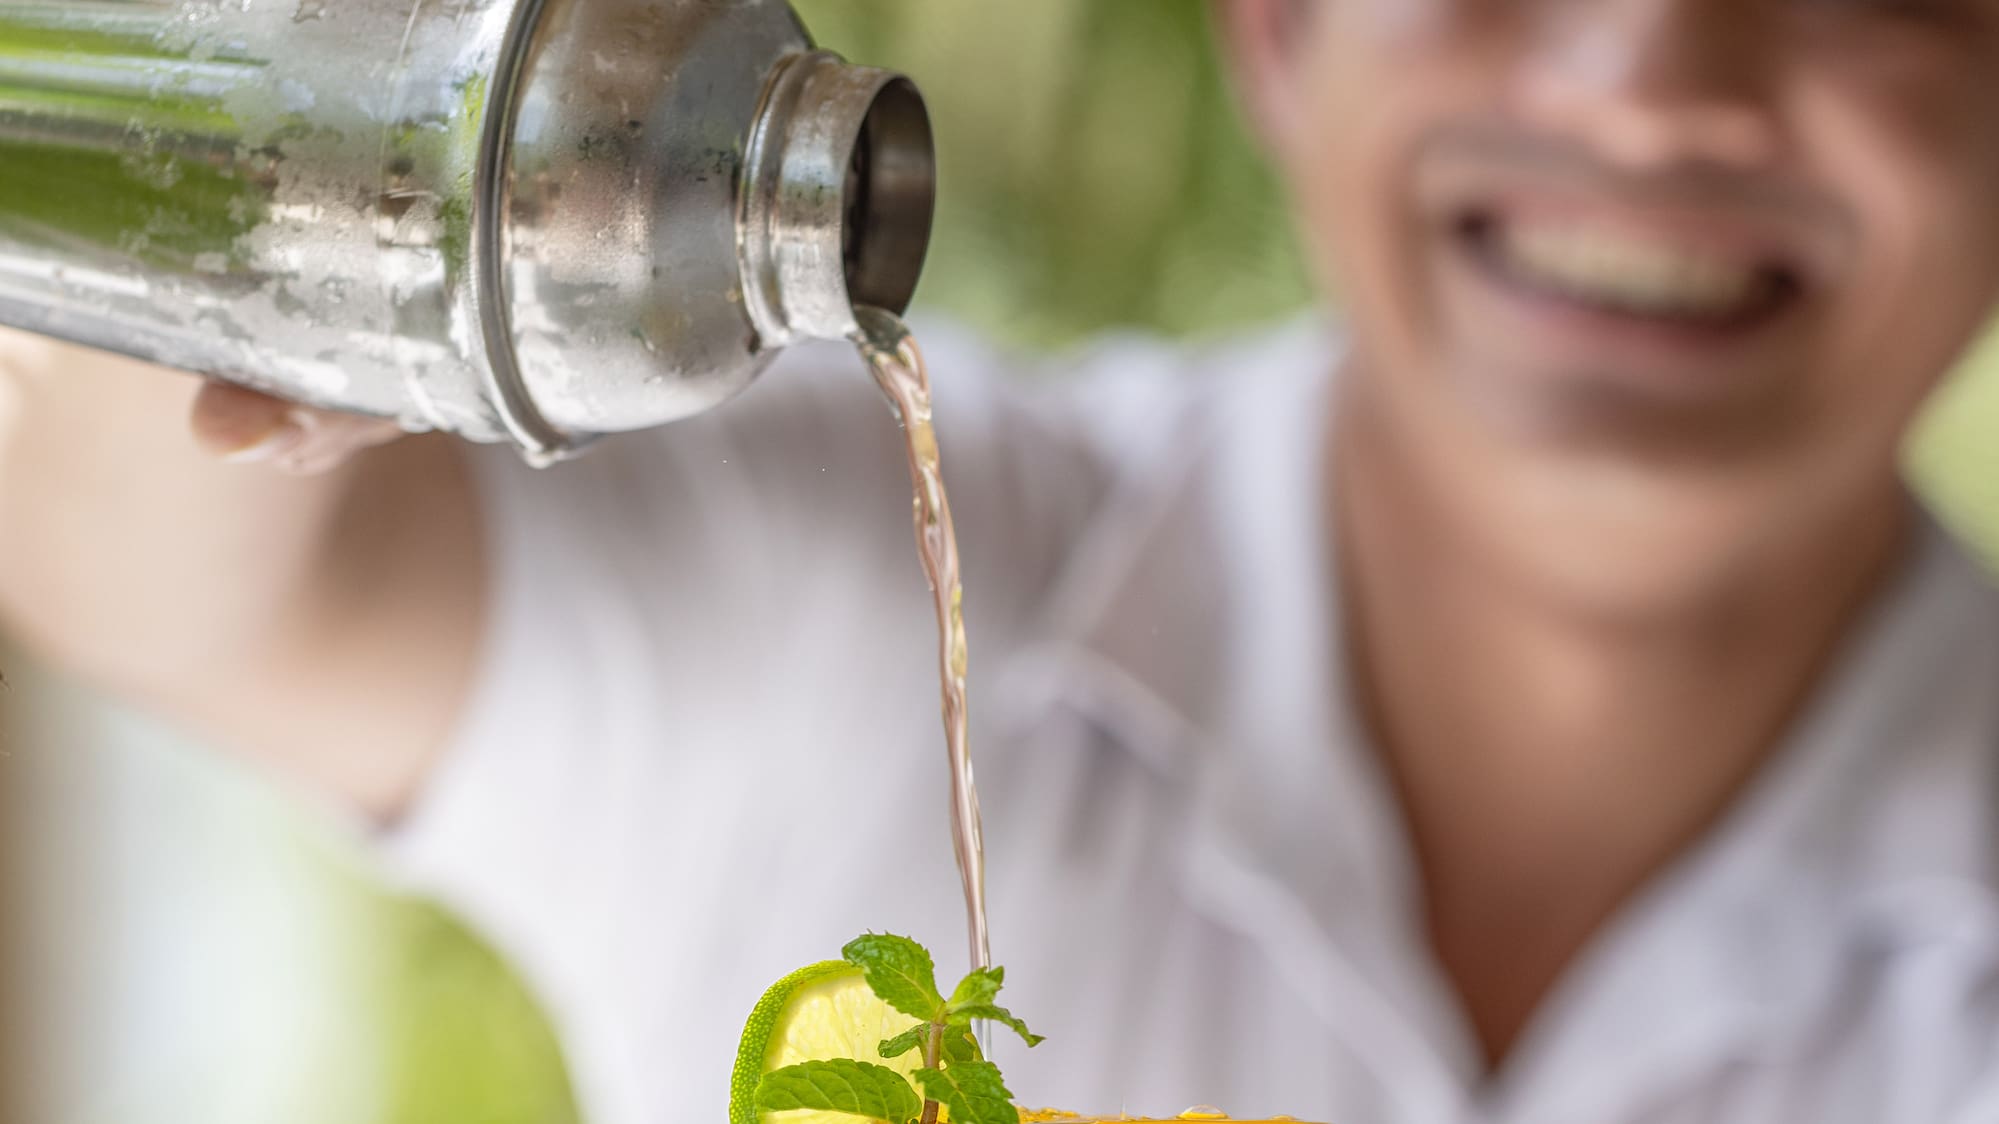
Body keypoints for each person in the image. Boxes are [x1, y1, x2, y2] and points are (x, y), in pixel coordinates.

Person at [5, 0, 1999, 1120]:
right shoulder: (839, 578)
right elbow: (138, 560)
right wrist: (276, 229)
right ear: (1281, 36)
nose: (1649, 77)